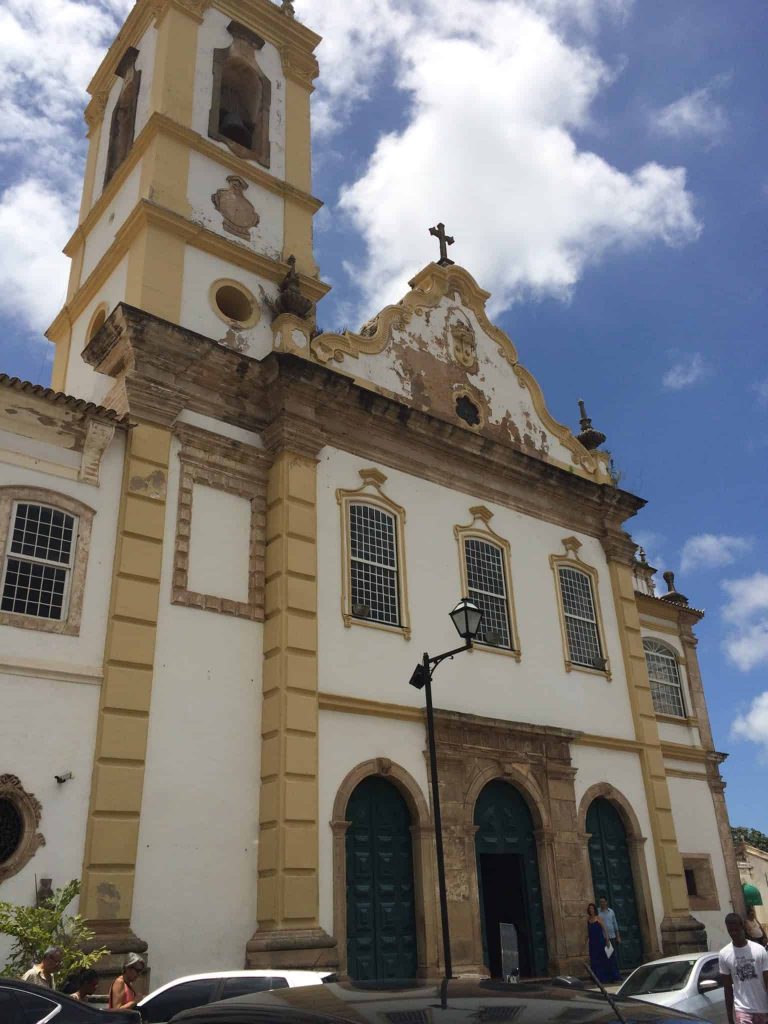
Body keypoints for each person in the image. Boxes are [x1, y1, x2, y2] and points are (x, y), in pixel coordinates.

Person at [719, 911, 768, 1024]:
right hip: (742, 1009)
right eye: (730, 930)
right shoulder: (724, 954)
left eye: (736, 929)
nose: (734, 933)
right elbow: (727, 989)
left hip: (762, 1008)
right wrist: (730, 1018)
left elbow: (767, 981)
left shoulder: (759, 950)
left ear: (742, 927)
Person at [587, 902, 619, 983]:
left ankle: (607, 977)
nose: (591, 910)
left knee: (603, 958)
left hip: (600, 941)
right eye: (590, 909)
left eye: (592, 908)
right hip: (592, 942)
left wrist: (607, 939)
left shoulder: (598, 918)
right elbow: (587, 932)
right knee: (594, 960)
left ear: (594, 909)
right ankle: (597, 977)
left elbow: (604, 929)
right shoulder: (588, 920)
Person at [598, 896, 622, 968]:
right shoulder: (598, 912)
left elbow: (615, 924)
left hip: (612, 936)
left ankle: (615, 971)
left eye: (603, 902)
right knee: (605, 955)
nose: (602, 903)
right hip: (603, 937)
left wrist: (618, 936)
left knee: (613, 955)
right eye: (600, 902)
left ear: (606, 902)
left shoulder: (611, 911)